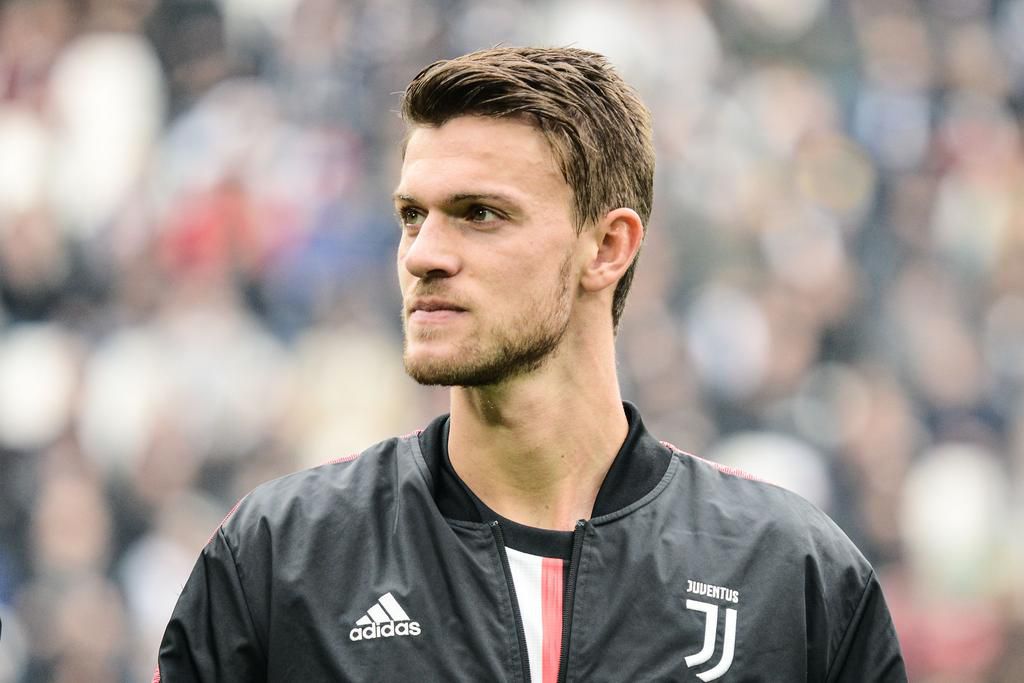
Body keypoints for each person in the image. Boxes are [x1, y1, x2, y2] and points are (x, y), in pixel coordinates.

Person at [156, 46, 907, 682]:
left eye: (480, 214)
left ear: (607, 248)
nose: (424, 255)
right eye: (412, 215)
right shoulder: (281, 560)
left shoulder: (789, 574)